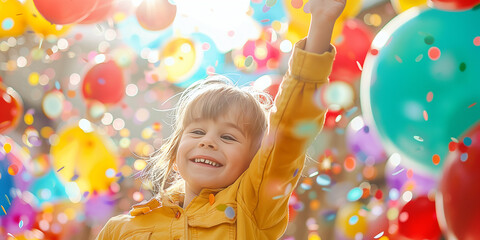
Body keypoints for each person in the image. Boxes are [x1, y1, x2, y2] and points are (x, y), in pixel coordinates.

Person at [96, 0, 346, 239]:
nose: (208, 142)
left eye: (228, 136)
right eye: (196, 132)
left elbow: (288, 129)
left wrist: (321, 22)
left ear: (255, 163)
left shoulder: (251, 207)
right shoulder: (122, 229)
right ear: (173, 154)